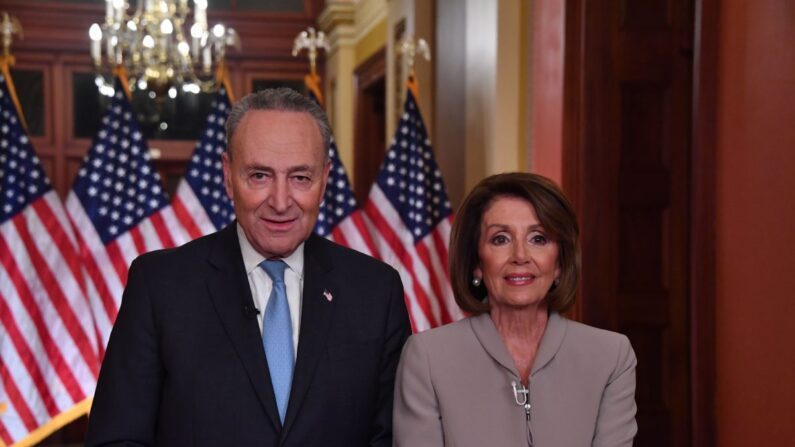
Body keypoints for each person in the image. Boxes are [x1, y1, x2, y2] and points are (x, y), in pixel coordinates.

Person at [86, 88, 411, 446]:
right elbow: (116, 439)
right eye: (260, 175)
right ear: (228, 176)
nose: (281, 201)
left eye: (300, 177)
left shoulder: (376, 292)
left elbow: (393, 440)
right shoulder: (160, 286)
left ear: (324, 180)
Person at [393, 172, 637, 446]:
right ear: (476, 262)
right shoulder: (427, 358)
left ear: (559, 263)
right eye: (500, 239)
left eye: (538, 238)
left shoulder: (611, 356)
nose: (520, 256)